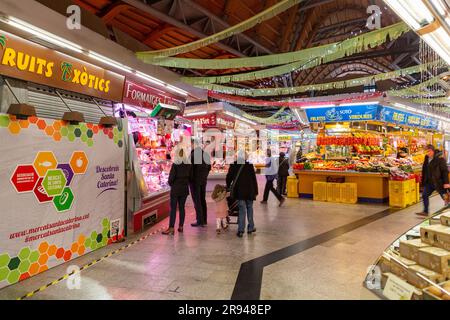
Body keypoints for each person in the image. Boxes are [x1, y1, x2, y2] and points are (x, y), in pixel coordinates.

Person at [226, 152, 258, 238]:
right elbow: (254, 179)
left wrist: (228, 187)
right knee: (250, 208)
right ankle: (251, 227)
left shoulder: (233, 165)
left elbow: (228, 177)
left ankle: (240, 230)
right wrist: (256, 191)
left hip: (239, 191)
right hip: (250, 191)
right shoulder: (250, 166)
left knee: (242, 209)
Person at [163, 149, 193, 235]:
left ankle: (171, 228)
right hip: (184, 189)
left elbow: (171, 178)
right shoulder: (189, 165)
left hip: (175, 189)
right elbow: (191, 178)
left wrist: (171, 184)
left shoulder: (176, 165)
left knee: (173, 209)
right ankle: (181, 227)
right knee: (182, 208)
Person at [416, 144, 450, 217]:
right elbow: (424, 170)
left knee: (445, 197)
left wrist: (446, 182)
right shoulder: (426, 158)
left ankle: (448, 209)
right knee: (424, 195)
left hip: (439, 182)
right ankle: (425, 211)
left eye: (429, 151)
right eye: (426, 151)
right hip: (429, 182)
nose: (428, 153)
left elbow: (444, 171)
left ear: (433, 150)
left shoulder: (440, 159)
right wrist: (423, 181)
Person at [190, 141, 212, 227]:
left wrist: (190, 179)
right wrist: (204, 175)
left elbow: (190, 169)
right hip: (203, 181)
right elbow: (209, 167)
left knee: (197, 200)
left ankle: (200, 220)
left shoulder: (192, 155)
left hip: (195, 181)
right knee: (202, 199)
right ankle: (204, 219)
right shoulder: (205, 155)